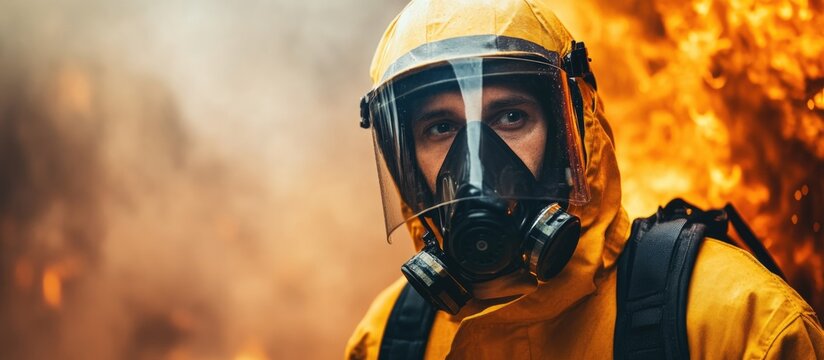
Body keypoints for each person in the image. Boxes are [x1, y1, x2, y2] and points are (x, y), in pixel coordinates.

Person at [346, 1, 824, 359]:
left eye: (511, 117)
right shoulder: (389, 339)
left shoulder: (736, 320)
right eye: (441, 128)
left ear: (573, 131)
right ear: (405, 161)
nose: (473, 162)